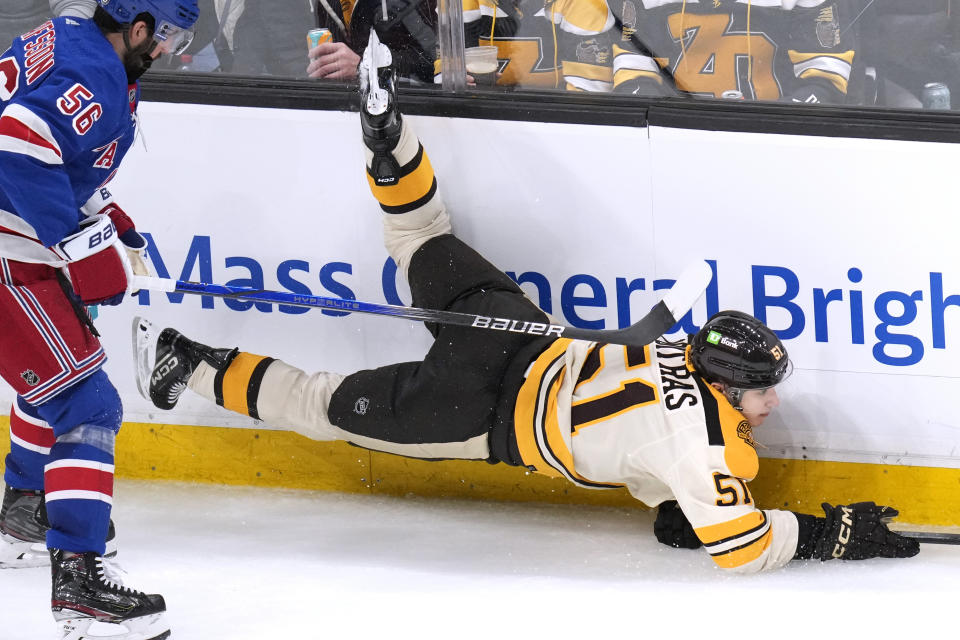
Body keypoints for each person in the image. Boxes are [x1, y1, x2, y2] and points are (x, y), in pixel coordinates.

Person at [134, 33, 919, 574]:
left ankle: (389, 141)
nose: (771, 399)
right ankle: (185, 362)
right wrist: (826, 536)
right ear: (723, 384)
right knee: (318, 402)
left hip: (517, 339)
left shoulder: (679, 359)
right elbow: (739, 549)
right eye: (760, 389)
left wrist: (683, 507)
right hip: (471, 416)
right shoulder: (706, 452)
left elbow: (679, 504)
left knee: (422, 233)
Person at [0, 1, 198, 638]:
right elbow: (19, 140)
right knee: (87, 406)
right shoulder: (96, 70)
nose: (167, 49)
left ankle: (24, 510)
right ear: (138, 26)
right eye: (166, 35)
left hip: (19, 246)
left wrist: (114, 225)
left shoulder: (78, 40)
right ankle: (79, 587)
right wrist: (80, 247)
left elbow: (64, 157)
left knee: (57, 382)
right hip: (9, 254)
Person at [609, 0, 863, 103]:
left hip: (779, 143)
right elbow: (635, 73)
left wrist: (781, 121)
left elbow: (825, 76)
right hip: (677, 142)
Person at [309, 0, 437, 82]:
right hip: (351, 111)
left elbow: (438, 62)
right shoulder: (326, 3)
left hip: (408, 109)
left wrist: (365, 67)